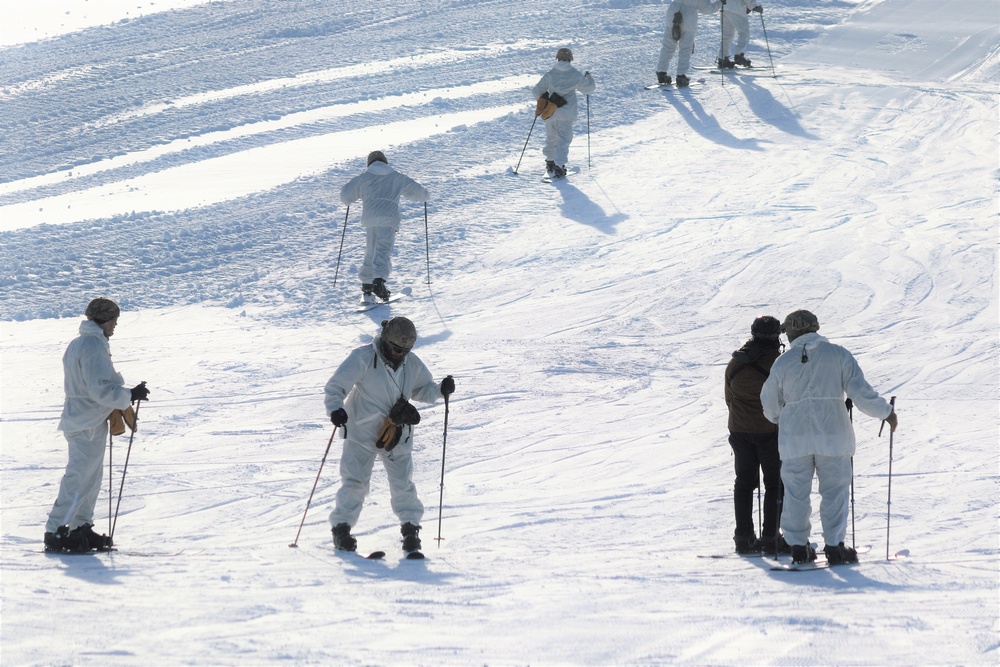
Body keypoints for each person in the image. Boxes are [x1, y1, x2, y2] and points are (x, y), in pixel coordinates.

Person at [760, 310, 897, 565]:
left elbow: (769, 404)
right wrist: (886, 412)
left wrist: (783, 416)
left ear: (791, 332)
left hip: (795, 439)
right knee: (835, 491)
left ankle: (799, 547)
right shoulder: (838, 354)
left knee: (796, 493)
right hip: (833, 435)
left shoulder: (783, 362)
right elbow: (860, 392)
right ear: (815, 328)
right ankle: (835, 547)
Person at [324, 317, 455, 556]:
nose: (400, 354)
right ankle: (342, 530)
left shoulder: (411, 363)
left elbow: (422, 390)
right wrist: (336, 409)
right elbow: (335, 387)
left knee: (403, 484)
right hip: (360, 433)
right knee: (355, 482)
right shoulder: (363, 358)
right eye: (397, 349)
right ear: (385, 341)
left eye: (406, 350)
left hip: (397, 434)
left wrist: (439, 390)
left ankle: (410, 530)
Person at [43, 298, 150, 553]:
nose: (115, 325)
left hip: (87, 419)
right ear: (102, 320)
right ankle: (56, 531)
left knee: (91, 478)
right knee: (79, 477)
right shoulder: (92, 345)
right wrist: (129, 395)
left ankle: (80, 527)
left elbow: (97, 383)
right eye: (114, 319)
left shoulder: (84, 343)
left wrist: (126, 393)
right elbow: (98, 388)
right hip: (85, 420)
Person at [724, 315, 789, 555]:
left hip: (739, 429)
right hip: (769, 431)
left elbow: (729, 398)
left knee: (743, 482)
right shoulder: (779, 363)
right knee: (774, 483)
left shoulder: (736, 361)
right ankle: (771, 536)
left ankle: (743, 537)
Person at [340, 151, 429, 303]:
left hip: (370, 219)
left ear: (370, 163)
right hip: (388, 219)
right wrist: (425, 195)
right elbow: (421, 194)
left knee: (370, 250)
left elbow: (345, 195)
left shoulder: (364, 178)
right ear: (385, 162)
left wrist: (349, 199)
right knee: (383, 249)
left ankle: (367, 285)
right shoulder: (397, 177)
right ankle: (379, 282)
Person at [531, 47, 596, 179]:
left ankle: (550, 163)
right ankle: (559, 167)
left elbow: (536, 92)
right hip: (567, 114)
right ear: (570, 59)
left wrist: (545, 98)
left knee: (551, 138)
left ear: (557, 58)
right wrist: (589, 77)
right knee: (563, 140)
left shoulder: (550, 74)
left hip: (550, 112)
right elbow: (589, 89)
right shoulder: (575, 74)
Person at [655, 0, 722, 87]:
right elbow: (707, 9)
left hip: (673, 14)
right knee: (685, 49)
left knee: (668, 46)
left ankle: (661, 73)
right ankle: (681, 76)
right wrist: (719, 3)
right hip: (688, 18)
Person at [718, 1, 763, 69]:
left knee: (727, 35)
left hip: (724, 8)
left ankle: (723, 59)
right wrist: (753, 6)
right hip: (737, 9)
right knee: (743, 33)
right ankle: (739, 55)